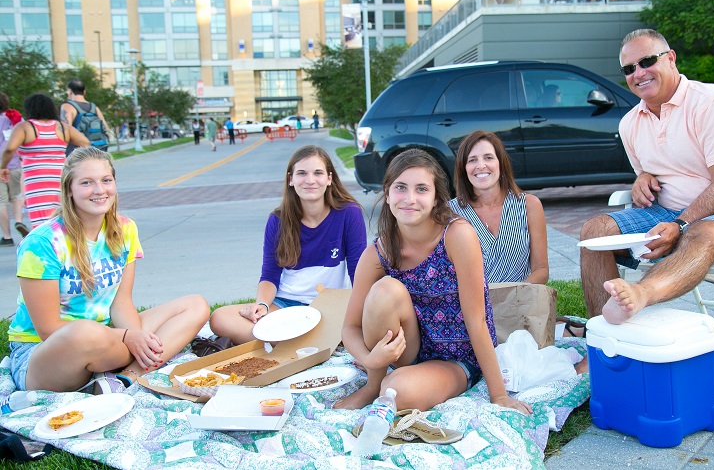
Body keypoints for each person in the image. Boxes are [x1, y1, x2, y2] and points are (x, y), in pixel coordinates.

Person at [580, 29, 714, 325]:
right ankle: (603, 339)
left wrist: (680, 224)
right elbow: (652, 171)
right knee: (595, 230)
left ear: (671, 58)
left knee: (704, 232)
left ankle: (640, 294)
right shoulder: (629, 124)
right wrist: (642, 179)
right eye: (629, 68)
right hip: (669, 211)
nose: (639, 73)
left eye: (647, 61)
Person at [334, 149, 531, 414]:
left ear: (437, 196)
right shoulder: (378, 252)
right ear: (388, 193)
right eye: (401, 188)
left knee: (397, 393)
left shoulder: (457, 235)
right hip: (407, 351)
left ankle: (392, 384)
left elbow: (477, 320)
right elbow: (350, 327)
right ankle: (373, 384)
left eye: (422, 189)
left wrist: (499, 395)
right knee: (384, 290)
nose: (410, 199)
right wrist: (371, 360)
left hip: (456, 358)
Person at [7, 147, 210, 392]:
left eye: (106, 180)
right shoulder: (42, 243)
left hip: (108, 338)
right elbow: (48, 328)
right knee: (85, 333)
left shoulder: (125, 229)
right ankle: (128, 362)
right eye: (86, 183)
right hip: (45, 353)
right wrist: (125, 338)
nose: (100, 190)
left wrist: (137, 338)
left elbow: (121, 302)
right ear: (69, 189)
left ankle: (128, 378)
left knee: (196, 304)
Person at [209, 145, 366, 345]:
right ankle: (306, 342)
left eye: (318, 173)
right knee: (220, 318)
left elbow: (358, 272)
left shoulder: (349, 213)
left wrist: (360, 312)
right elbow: (269, 275)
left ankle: (287, 342)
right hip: (285, 306)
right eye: (302, 173)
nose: (310, 180)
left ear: (329, 178)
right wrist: (262, 304)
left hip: (331, 305)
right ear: (290, 180)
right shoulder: (277, 220)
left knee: (368, 323)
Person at [448, 131, 548, 284]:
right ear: (463, 168)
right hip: (472, 305)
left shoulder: (529, 205)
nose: (481, 166)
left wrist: (512, 295)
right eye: (472, 160)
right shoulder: (450, 213)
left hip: (519, 301)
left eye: (488, 157)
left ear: (500, 163)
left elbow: (541, 270)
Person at [1, 94, 89, 229]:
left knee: (42, 222)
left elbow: (10, 149)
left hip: (36, 182)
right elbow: (85, 143)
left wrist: (3, 167)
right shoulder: (63, 127)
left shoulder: (25, 127)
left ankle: (46, 248)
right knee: (63, 217)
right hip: (61, 178)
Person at [0, 93, 28, 245]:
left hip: (0, 166)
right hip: (15, 164)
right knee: (17, 197)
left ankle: (7, 236)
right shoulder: (15, 119)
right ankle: (18, 221)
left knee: (1, 201)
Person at [60, 79, 111, 155]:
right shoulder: (94, 108)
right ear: (84, 92)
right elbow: (106, 130)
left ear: (70, 91)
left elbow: (65, 130)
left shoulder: (67, 106)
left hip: (76, 153)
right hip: (96, 152)